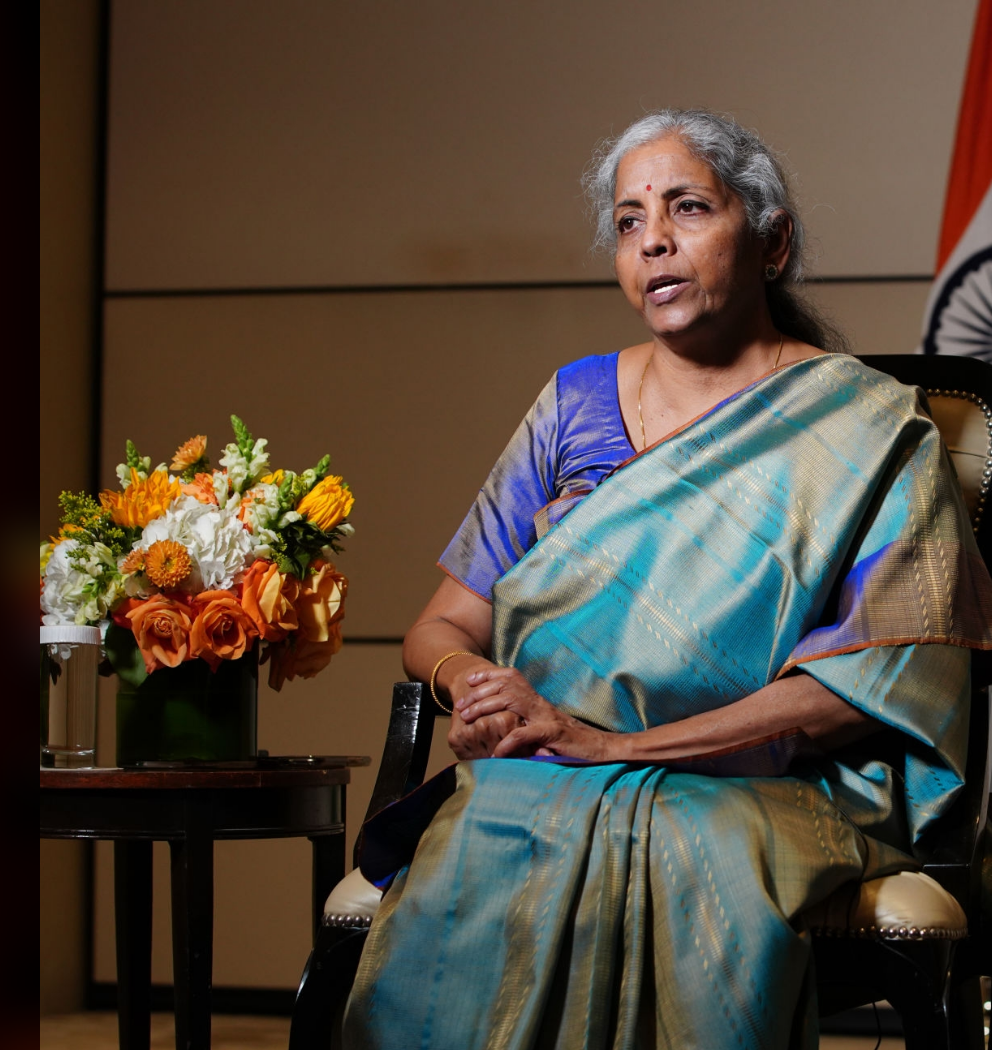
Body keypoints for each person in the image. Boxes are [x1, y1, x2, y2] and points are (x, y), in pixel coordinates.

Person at [342, 109, 992, 1049]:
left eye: (687, 207)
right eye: (628, 220)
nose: (652, 240)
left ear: (772, 242)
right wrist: (479, 687)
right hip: (547, 769)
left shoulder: (870, 428)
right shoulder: (571, 404)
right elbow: (438, 629)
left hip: (770, 787)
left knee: (700, 854)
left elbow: (873, 682)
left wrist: (616, 747)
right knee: (485, 834)